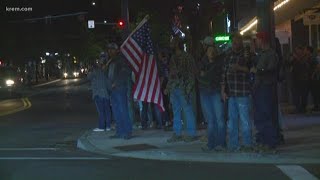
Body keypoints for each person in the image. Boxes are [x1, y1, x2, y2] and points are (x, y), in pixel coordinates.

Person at [221, 33, 253, 151]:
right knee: (232, 120)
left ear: (240, 42)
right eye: (233, 42)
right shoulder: (228, 55)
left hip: (242, 92)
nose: (234, 44)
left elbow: (250, 69)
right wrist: (223, 90)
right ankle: (233, 144)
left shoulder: (246, 54)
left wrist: (238, 68)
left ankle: (247, 144)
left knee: (244, 120)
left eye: (236, 42)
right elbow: (223, 73)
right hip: (231, 93)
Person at [252, 32, 282, 149]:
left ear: (262, 40)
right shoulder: (261, 54)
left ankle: (270, 142)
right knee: (260, 115)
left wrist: (258, 71)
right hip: (260, 88)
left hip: (266, 87)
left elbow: (271, 70)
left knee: (266, 114)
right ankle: (264, 140)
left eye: (258, 39)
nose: (256, 42)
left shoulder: (271, 54)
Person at [166, 36, 197, 143]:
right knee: (176, 112)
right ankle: (177, 133)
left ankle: (191, 133)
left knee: (187, 110)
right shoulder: (173, 58)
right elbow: (171, 74)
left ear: (177, 44)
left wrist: (188, 88)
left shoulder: (187, 57)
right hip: (174, 88)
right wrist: (168, 87)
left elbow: (192, 74)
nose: (171, 45)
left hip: (184, 88)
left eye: (173, 43)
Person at [197, 37, 226, 151]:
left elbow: (209, 76)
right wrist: (205, 76)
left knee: (219, 119)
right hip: (205, 92)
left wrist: (206, 74)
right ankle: (211, 144)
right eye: (208, 49)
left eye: (212, 49)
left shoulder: (219, 62)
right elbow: (199, 77)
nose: (211, 52)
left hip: (215, 92)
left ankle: (221, 143)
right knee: (211, 120)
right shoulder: (202, 61)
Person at [107, 43, 133, 139]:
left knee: (123, 110)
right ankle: (120, 131)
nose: (110, 51)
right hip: (112, 90)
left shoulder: (121, 59)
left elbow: (126, 71)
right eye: (109, 49)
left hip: (120, 88)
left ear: (117, 50)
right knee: (116, 111)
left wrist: (116, 82)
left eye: (112, 49)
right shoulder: (111, 61)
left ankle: (127, 131)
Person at [87, 53, 112, 132]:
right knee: (107, 110)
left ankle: (101, 127)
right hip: (106, 93)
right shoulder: (107, 69)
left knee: (101, 111)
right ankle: (108, 126)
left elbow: (89, 77)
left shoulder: (96, 70)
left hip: (98, 93)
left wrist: (90, 69)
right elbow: (108, 82)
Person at [292, 45, 313, 113]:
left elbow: (304, 64)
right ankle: (299, 108)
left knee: (303, 94)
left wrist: (297, 58)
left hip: (304, 78)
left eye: (298, 50)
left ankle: (302, 108)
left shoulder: (306, 57)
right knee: (298, 94)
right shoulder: (296, 58)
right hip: (297, 78)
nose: (297, 51)